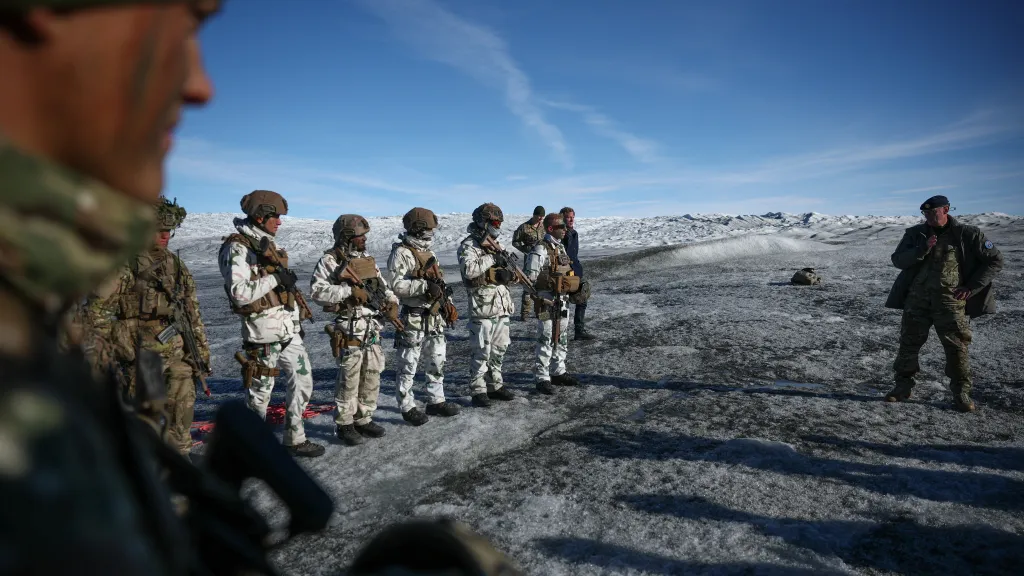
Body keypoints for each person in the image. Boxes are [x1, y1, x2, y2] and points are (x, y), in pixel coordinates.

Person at [0, 0, 221, 572]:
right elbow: (101, 323)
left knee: (175, 433)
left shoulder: (37, 283)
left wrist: (196, 354)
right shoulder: (97, 267)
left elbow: (190, 309)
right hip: (146, 360)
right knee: (150, 429)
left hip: (172, 358)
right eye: (188, 24)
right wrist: (135, 353)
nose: (199, 86)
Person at [87, 196, 212, 455]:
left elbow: (192, 312)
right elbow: (95, 316)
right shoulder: (122, 265)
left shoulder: (176, 265)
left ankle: (181, 460)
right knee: (143, 423)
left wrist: (199, 353)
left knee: (181, 412)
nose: (165, 236)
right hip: (140, 356)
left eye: (168, 231)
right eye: (159, 231)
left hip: (177, 351)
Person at [219, 189, 325, 457]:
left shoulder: (267, 246)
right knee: (259, 396)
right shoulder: (238, 248)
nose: (279, 221)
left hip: (288, 331)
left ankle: (295, 439)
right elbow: (240, 294)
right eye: (275, 216)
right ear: (259, 216)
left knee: (303, 382)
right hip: (262, 335)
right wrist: (277, 279)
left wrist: (295, 318)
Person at [884, 195, 1004, 412]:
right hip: (917, 301)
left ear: (946, 209)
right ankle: (902, 387)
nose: (929, 216)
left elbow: (995, 260)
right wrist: (922, 249)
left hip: (950, 302)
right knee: (908, 345)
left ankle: (961, 393)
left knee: (957, 348)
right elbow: (898, 260)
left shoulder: (967, 234)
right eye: (925, 213)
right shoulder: (915, 234)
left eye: (933, 212)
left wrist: (971, 287)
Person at [311, 214, 401, 445]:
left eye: (364, 236)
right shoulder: (330, 261)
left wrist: (391, 305)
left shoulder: (368, 261)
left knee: (372, 374)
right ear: (347, 237)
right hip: (350, 326)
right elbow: (318, 292)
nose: (364, 239)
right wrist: (348, 292)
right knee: (349, 378)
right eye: (360, 236)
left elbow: (383, 287)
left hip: (371, 327)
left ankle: (364, 418)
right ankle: (344, 423)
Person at [387, 207, 461, 426]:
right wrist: (423, 286)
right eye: (428, 228)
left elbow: (439, 283)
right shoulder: (402, 253)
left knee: (437, 360)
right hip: (414, 317)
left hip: (434, 316)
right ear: (418, 228)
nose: (432, 232)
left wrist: (448, 305)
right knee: (408, 364)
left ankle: (436, 400)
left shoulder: (431, 253)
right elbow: (395, 285)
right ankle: (407, 406)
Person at [457, 203, 517, 407]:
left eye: (499, 222)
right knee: (481, 350)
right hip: (482, 307)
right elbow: (469, 271)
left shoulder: (498, 245)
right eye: (494, 222)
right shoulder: (469, 246)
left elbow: (514, 275)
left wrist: (509, 275)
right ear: (482, 223)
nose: (497, 225)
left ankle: (496, 385)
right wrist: (492, 258)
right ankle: (478, 389)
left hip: (501, 306)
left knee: (499, 349)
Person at [523, 213, 582, 394]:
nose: (565, 230)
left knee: (561, 335)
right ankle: (542, 377)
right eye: (561, 227)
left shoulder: (561, 249)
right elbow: (528, 279)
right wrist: (541, 293)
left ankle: (558, 371)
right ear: (550, 229)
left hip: (562, 300)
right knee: (546, 336)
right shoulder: (540, 249)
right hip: (547, 300)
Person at [560, 206, 596, 340]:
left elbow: (574, 255)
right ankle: (559, 332)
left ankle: (579, 330)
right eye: (568, 217)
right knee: (562, 303)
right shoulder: (560, 235)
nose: (571, 219)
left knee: (582, 297)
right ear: (562, 217)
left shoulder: (574, 233)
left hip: (575, 272)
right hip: (563, 273)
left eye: (572, 217)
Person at [512, 205, 546, 321]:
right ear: (534, 215)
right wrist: (527, 250)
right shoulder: (524, 227)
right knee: (527, 287)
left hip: (542, 262)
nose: (540, 219)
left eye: (542, 217)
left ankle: (540, 313)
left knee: (542, 288)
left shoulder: (544, 227)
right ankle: (525, 314)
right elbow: (515, 242)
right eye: (539, 217)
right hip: (529, 261)